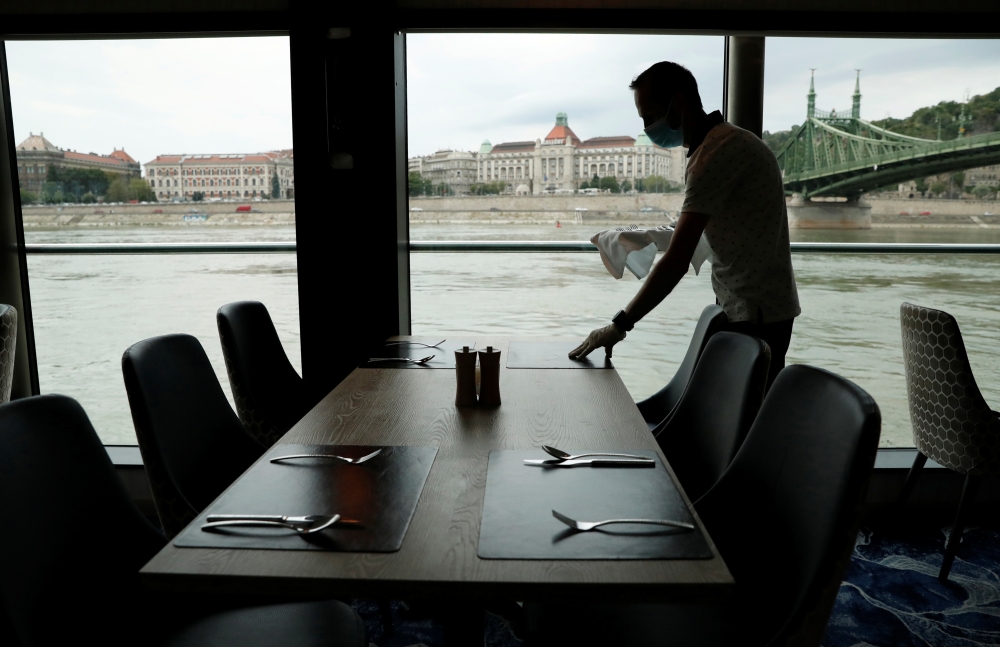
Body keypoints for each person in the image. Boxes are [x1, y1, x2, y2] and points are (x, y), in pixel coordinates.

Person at [569, 61, 800, 388]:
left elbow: (677, 260)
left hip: (754, 313)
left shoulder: (713, 154)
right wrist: (642, 236)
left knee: (738, 422)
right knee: (743, 415)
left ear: (677, 104)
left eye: (649, 116)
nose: (649, 127)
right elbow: (711, 227)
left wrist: (620, 325)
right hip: (759, 306)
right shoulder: (732, 140)